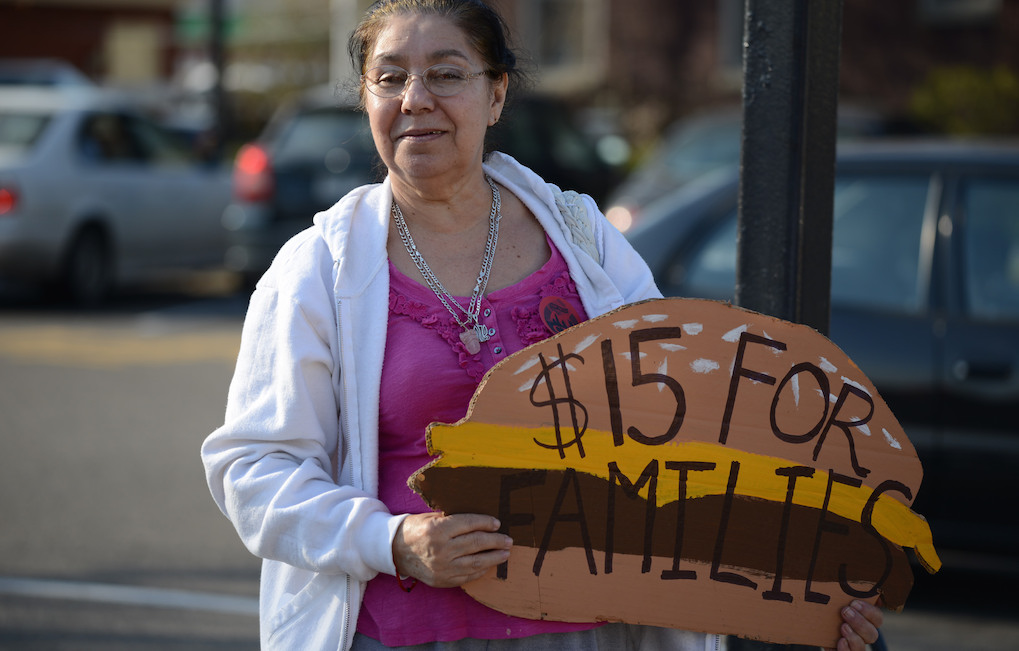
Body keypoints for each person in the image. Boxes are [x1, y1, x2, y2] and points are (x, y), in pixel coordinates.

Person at [201, 1, 884, 649]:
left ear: (495, 95)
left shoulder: (583, 241)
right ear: (366, 97)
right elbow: (255, 467)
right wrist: (393, 540)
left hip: (581, 629)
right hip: (401, 628)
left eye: (446, 74)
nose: (415, 99)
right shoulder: (319, 267)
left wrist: (809, 578)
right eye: (390, 78)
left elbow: (694, 430)